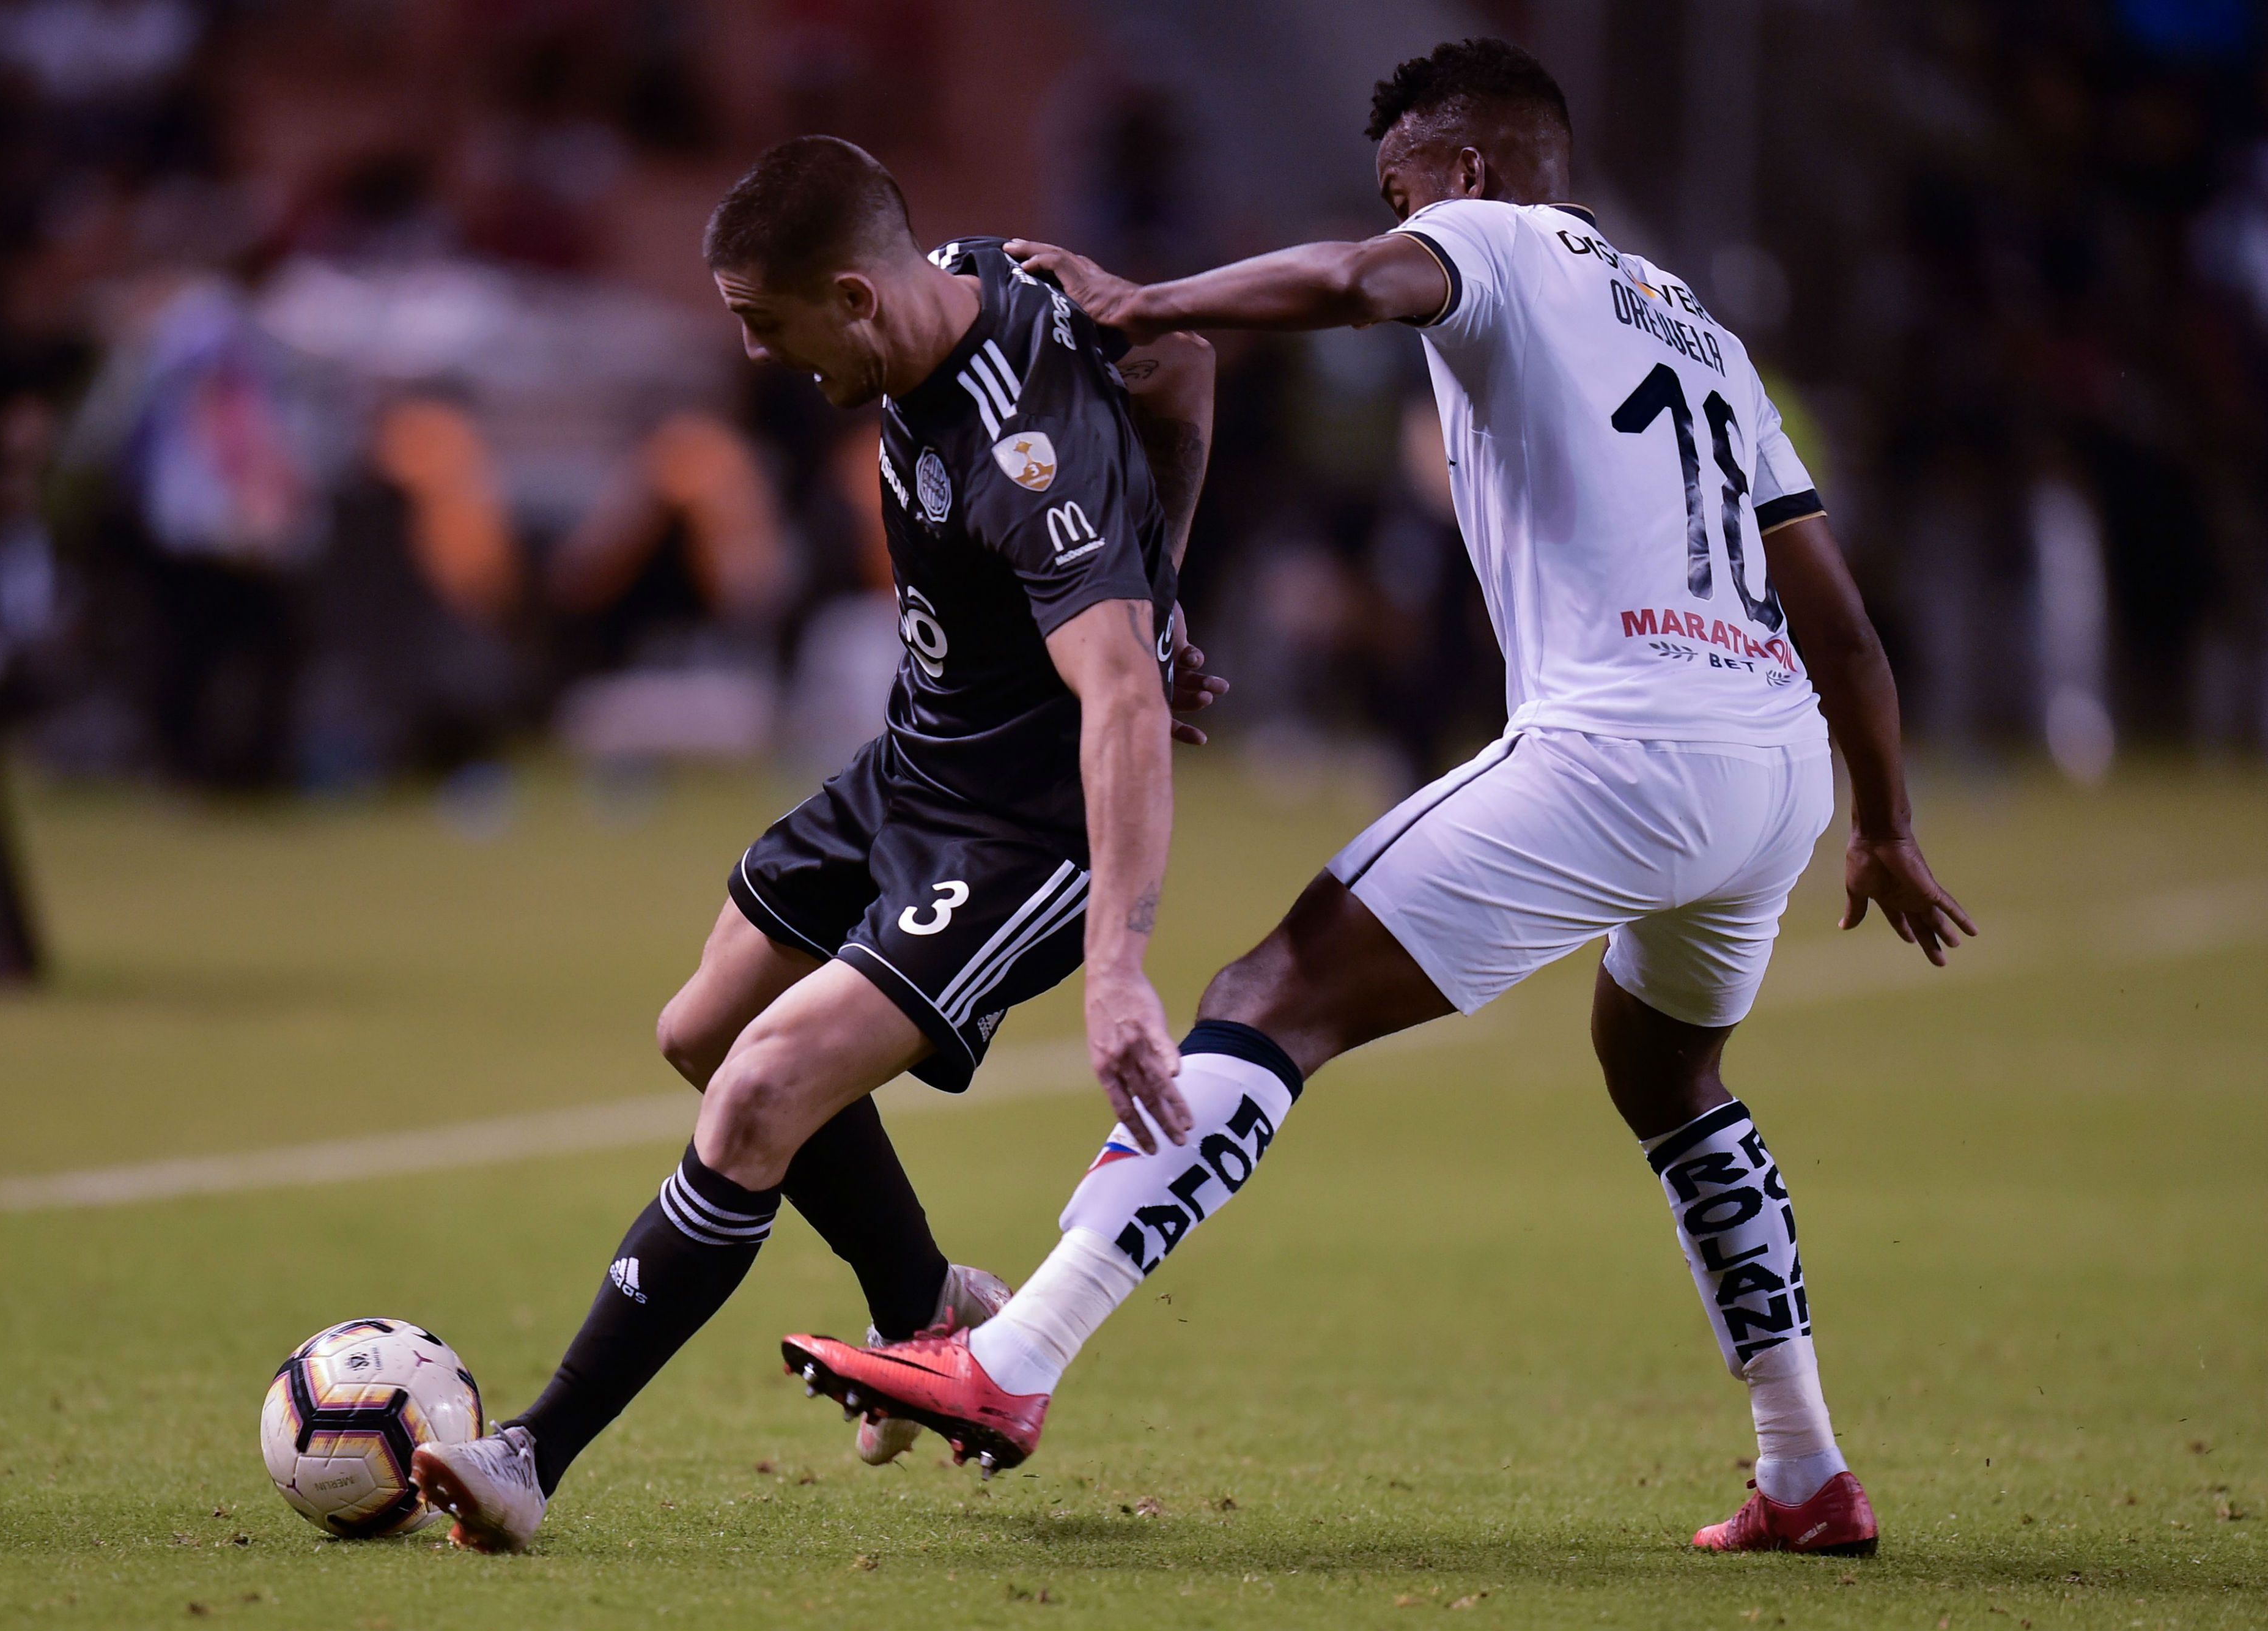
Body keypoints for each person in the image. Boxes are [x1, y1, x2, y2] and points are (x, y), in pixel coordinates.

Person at [778, 40, 1974, 1560]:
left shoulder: (1489, 235)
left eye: (1399, 186)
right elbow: (1844, 625)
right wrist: (1881, 817)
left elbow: (1354, 281)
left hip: (1621, 746)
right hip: (1774, 765)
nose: (1398, 216)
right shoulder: (1699, 328)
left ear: (1462, 171)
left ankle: (1006, 1361)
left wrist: (1149, 301)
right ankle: (1803, 1466)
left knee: (1269, 992)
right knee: (1666, 1074)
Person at [410, 135, 1221, 1551]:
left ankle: (531, 1453)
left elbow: (1124, 699)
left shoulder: (1020, 446)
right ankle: (922, 1309)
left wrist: (1117, 967)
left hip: (1019, 828)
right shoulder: (985, 272)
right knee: (702, 1029)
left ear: (852, 297)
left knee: (759, 1094)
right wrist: (1163, 572)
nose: (761, 355)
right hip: (908, 765)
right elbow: (1182, 360)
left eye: (765, 323)